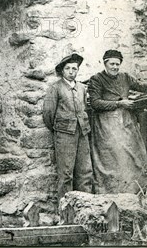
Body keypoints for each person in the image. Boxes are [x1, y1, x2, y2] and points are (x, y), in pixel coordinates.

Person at [88, 49, 147, 194]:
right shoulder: (96, 79)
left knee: (133, 154)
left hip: (126, 121)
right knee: (112, 156)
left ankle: (133, 190)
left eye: (117, 64)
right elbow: (95, 103)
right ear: (105, 63)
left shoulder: (125, 77)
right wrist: (118, 103)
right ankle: (110, 191)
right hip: (106, 125)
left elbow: (142, 86)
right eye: (112, 64)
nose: (115, 67)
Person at [42, 53, 92, 201]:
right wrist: (59, 128)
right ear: (62, 70)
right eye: (68, 68)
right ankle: (65, 213)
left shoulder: (82, 88)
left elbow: (85, 109)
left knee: (85, 172)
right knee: (66, 174)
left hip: (82, 132)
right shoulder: (55, 88)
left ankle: (86, 208)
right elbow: (48, 113)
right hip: (64, 135)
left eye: (74, 68)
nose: (71, 71)